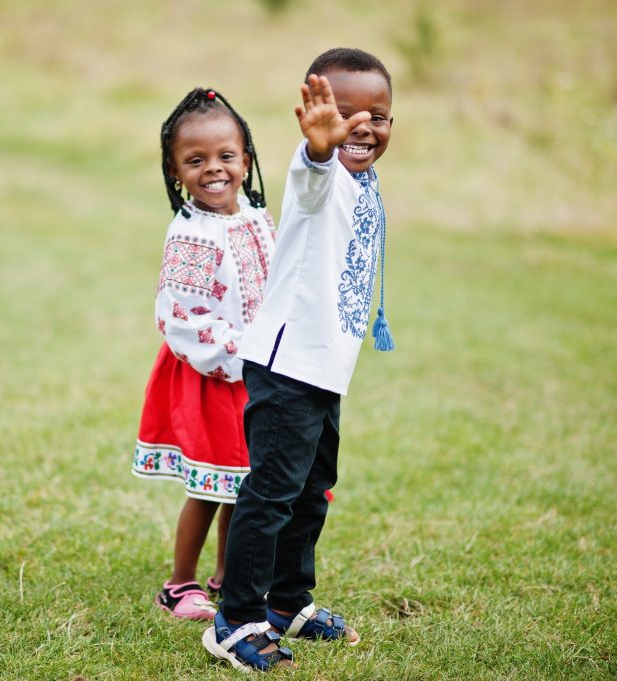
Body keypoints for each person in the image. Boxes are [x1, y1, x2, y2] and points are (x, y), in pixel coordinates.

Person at [202, 48, 396, 671]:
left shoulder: (365, 180)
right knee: (272, 494)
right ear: (317, 115)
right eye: (345, 113)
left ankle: (288, 602)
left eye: (380, 115)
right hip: (287, 367)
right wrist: (318, 148)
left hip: (323, 370)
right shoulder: (320, 173)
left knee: (312, 493)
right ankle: (234, 620)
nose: (362, 126)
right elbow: (312, 176)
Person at [132, 87, 275, 621]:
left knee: (244, 482)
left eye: (226, 156)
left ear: (247, 158)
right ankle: (179, 583)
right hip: (212, 371)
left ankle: (227, 574)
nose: (213, 169)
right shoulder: (192, 234)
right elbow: (183, 319)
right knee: (210, 484)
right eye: (195, 161)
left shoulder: (255, 215)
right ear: (175, 173)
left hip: (257, 369)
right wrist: (241, 358)